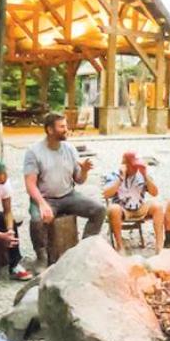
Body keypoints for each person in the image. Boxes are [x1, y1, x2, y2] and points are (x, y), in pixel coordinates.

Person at [25, 113, 107, 266]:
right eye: (62, 127)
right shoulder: (34, 152)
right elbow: (30, 184)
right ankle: (41, 257)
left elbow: (79, 180)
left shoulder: (69, 149)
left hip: (68, 195)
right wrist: (42, 204)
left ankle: (84, 251)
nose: (66, 129)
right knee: (37, 220)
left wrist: (84, 171)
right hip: (45, 198)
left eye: (66, 126)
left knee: (99, 210)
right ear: (50, 130)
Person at [103, 151, 165, 253]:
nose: (136, 169)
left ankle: (159, 246)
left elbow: (155, 193)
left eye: (137, 166)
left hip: (139, 207)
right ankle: (120, 246)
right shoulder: (114, 175)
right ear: (125, 165)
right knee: (113, 209)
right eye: (133, 166)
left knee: (158, 207)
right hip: (122, 209)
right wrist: (120, 179)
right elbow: (105, 194)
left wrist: (145, 176)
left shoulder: (141, 174)